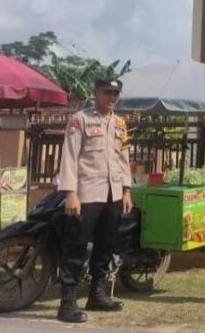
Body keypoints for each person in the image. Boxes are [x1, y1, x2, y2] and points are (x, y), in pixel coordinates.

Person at [56, 78, 133, 323]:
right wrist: (70, 192)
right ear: (95, 92)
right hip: (86, 194)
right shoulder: (80, 120)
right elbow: (69, 156)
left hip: (113, 194)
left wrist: (127, 190)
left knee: (106, 246)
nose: (112, 97)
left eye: (115, 93)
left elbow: (124, 157)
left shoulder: (120, 123)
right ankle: (67, 303)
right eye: (107, 92)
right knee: (76, 247)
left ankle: (96, 295)